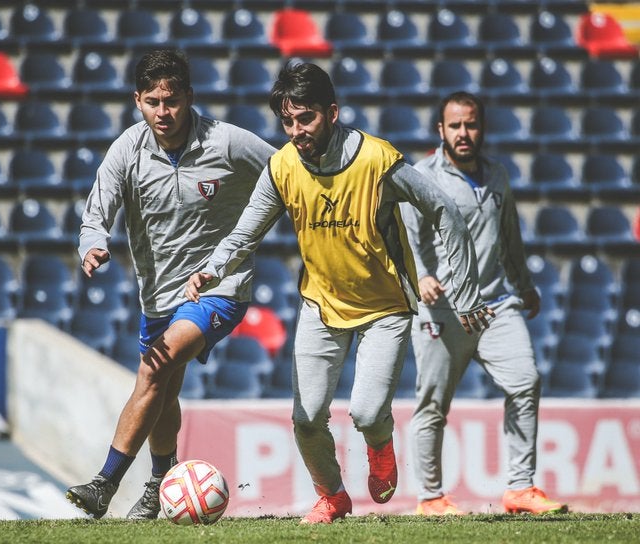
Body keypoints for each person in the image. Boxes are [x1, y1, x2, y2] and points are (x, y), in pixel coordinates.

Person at [185, 62, 493, 524]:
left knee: (368, 414)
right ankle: (332, 495)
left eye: (305, 118)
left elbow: (444, 210)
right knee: (306, 419)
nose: (296, 131)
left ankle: (380, 444)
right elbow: (245, 231)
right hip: (320, 305)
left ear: (332, 112)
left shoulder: (378, 160)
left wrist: (465, 292)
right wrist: (212, 269)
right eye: (287, 121)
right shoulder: (283, 166)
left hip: (385, 308)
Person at [65, 49, 276, 519]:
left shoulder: (228, 142)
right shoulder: (127, 148)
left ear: (189, 98)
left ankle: (105, 483)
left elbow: (287, 175)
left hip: (220, 287)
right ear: (137, 101)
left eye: (173, 101)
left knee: (154, 368)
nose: (164, 112)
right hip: (158, 295)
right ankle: (162, 480)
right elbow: (97, 213)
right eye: (153, 102)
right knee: (164, 388)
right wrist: (93, 244)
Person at [401, 91, 566, 516]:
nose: (463, 133)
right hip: (443, 310)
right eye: (454, 125)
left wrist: (525, 285)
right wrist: (421, 276)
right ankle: (431, 498)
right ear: (441, 130)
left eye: (470, 124)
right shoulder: (422, 175)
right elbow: (407, 234)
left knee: (526, 381)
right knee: (432, 404)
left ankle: (520, 488)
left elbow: (510, 235)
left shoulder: (498, 176)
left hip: (495, 304)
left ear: (482, 128)